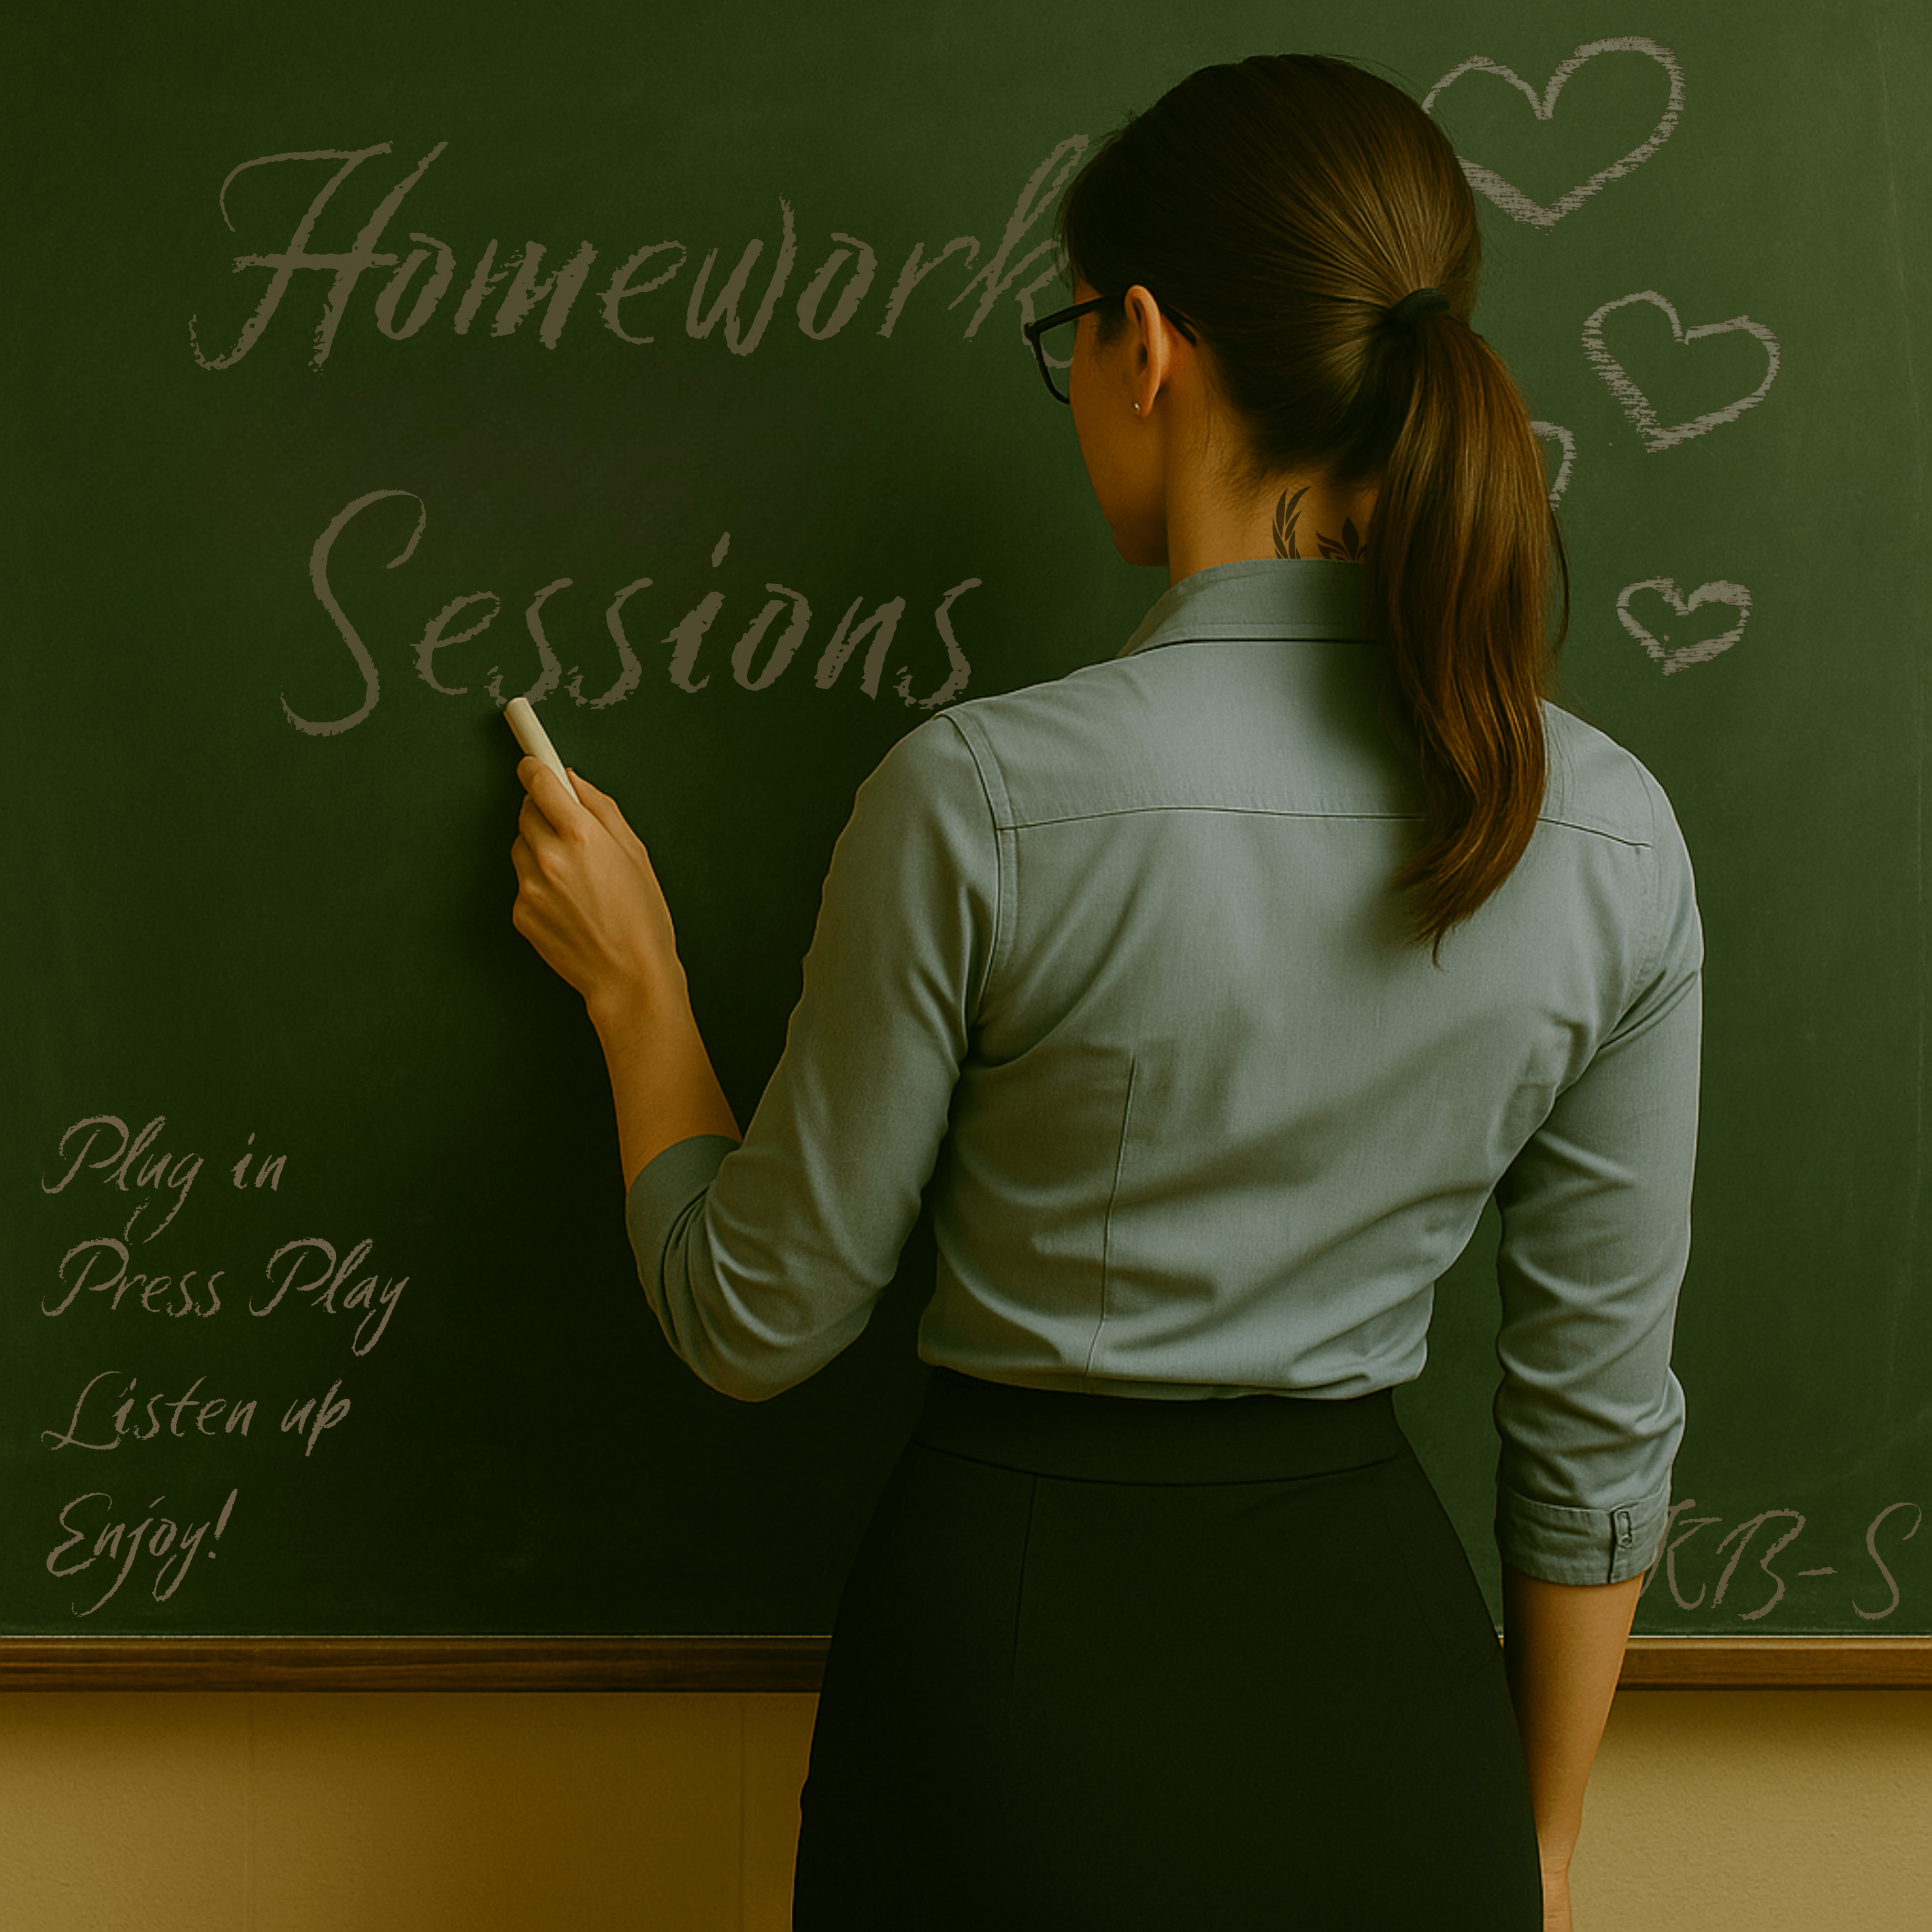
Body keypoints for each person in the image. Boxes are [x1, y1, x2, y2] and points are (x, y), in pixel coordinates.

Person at [509, 52, 1699, 1932]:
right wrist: (1534, 1836)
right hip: (1390, 1725)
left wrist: (634, 985)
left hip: (1006, 1702)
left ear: (1144, 344)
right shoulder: (1606, 831)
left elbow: (758, 1314)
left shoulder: (981, 796)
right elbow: (1592, 1428)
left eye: (1069, 334)